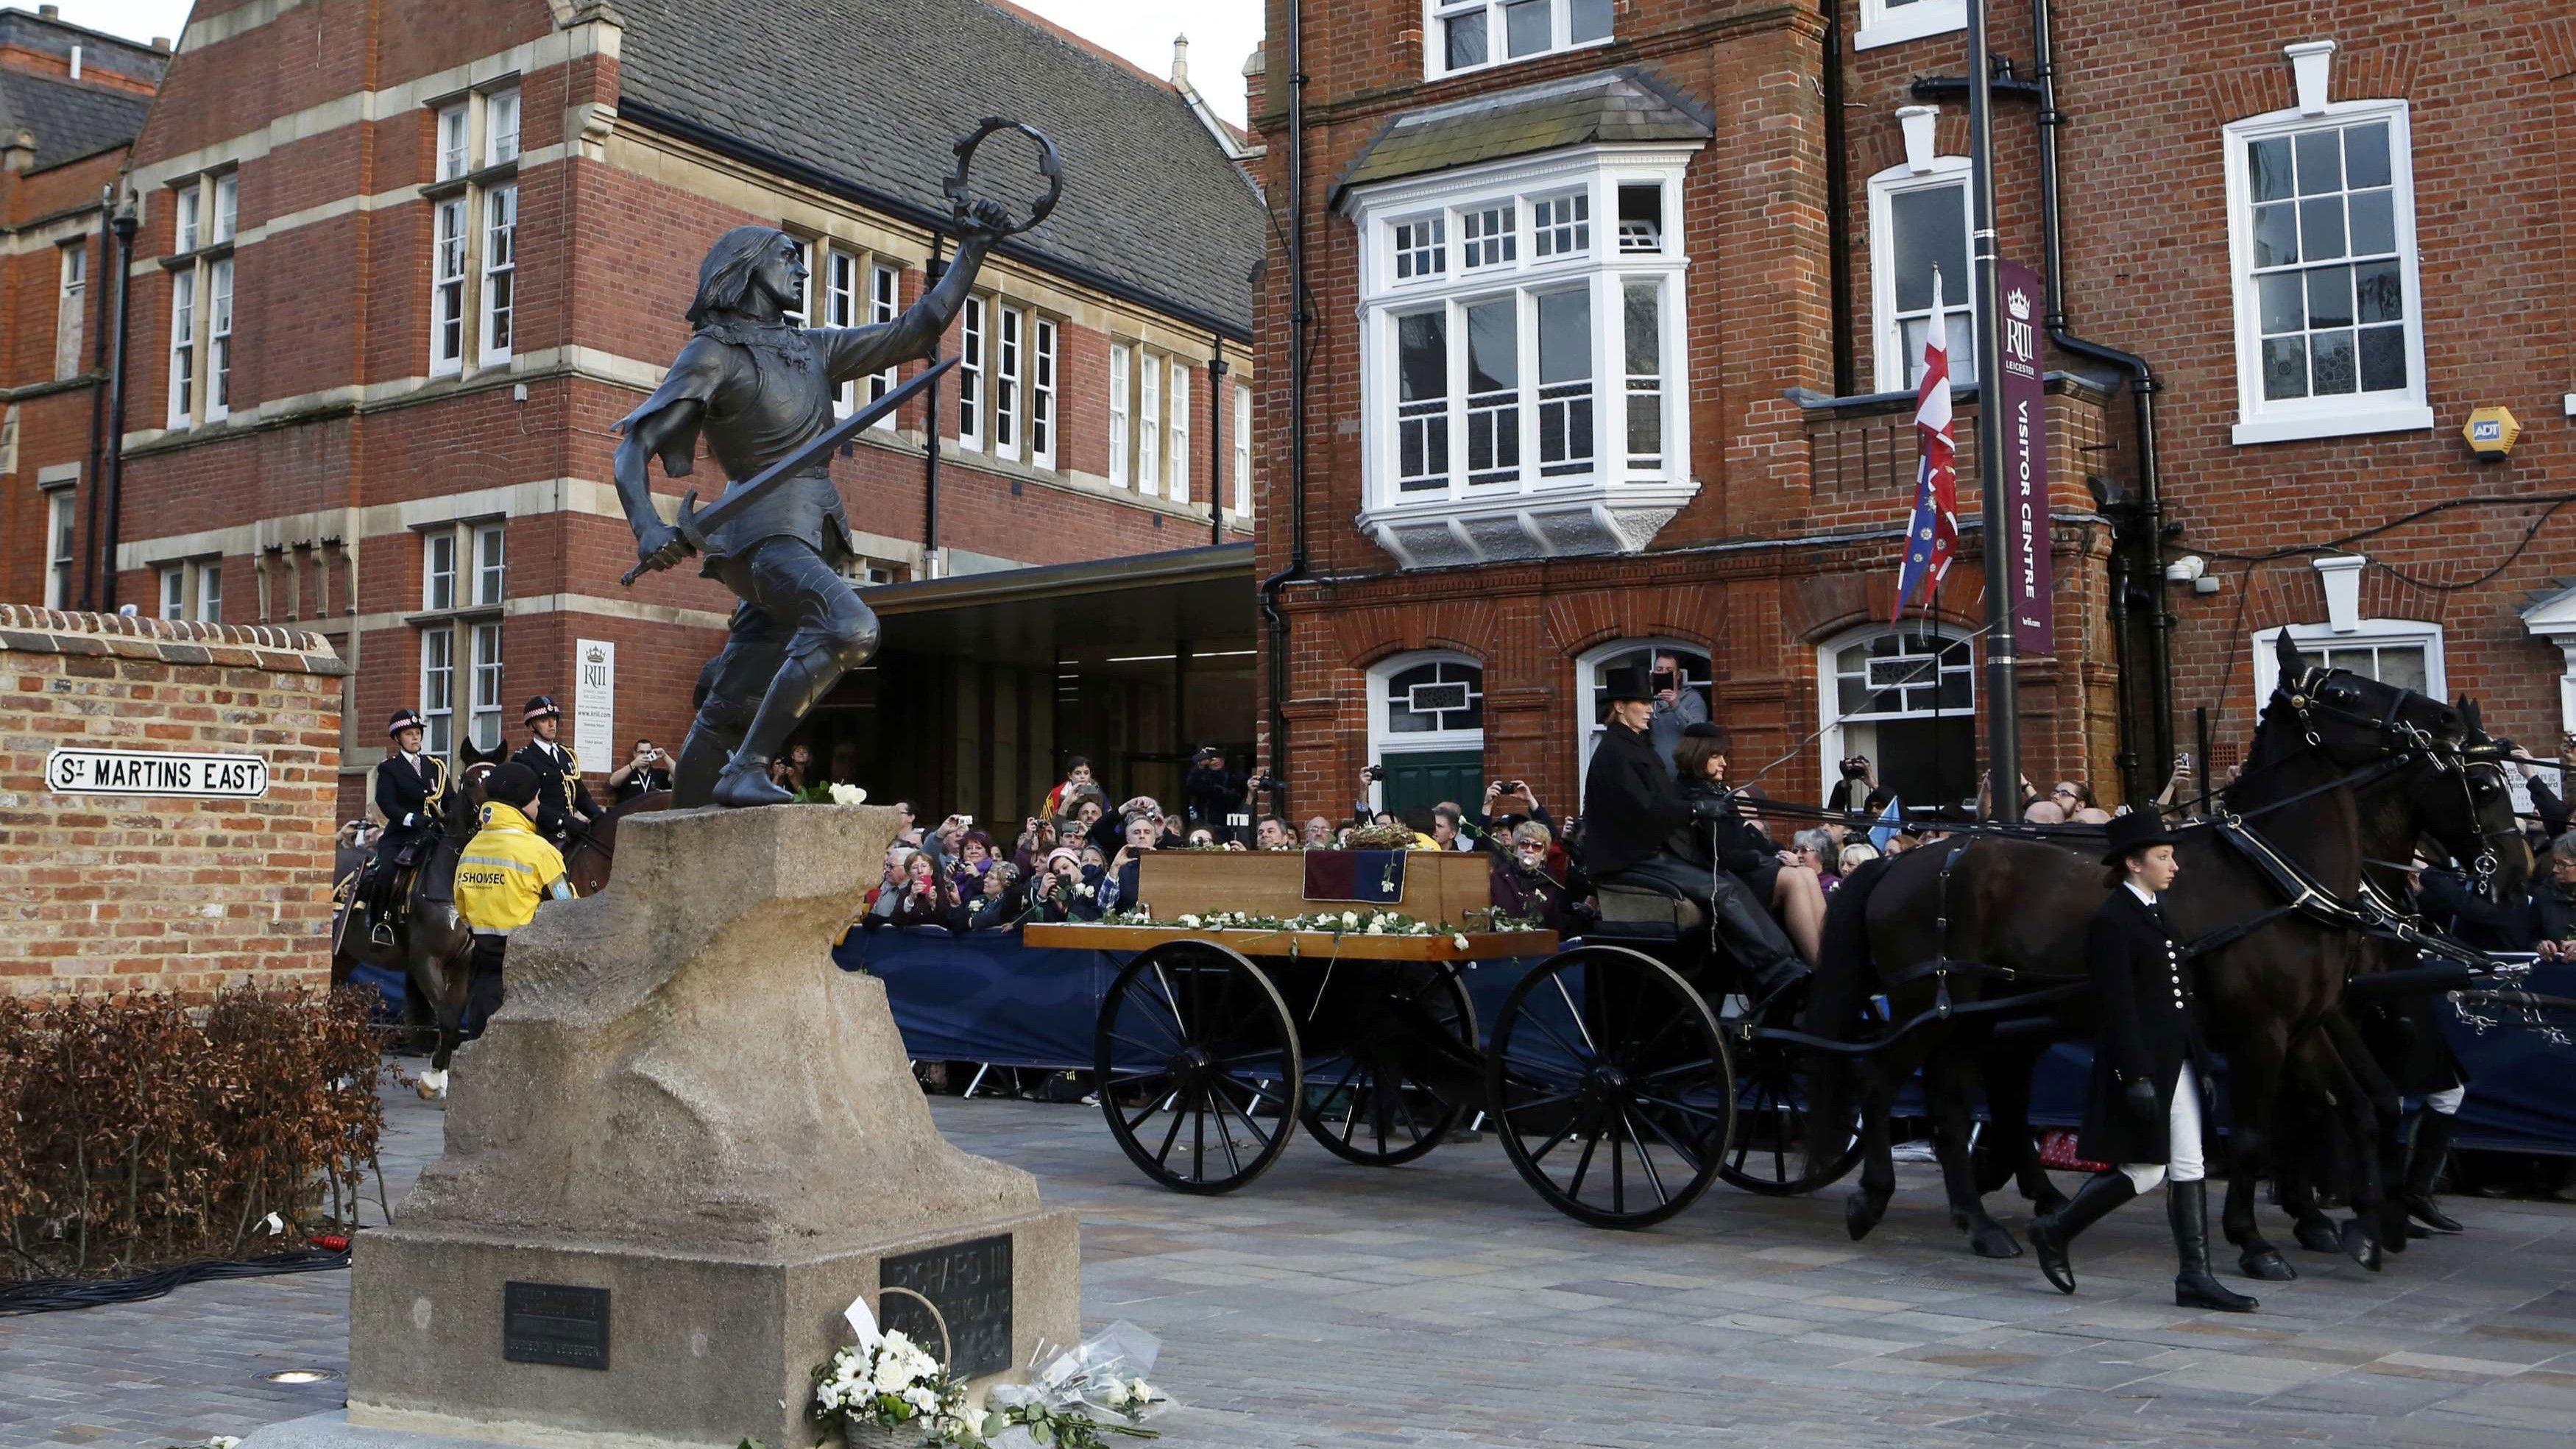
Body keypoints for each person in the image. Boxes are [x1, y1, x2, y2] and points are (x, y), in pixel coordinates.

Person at [615, 213, 1014, 807]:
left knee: (736, 696)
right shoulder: (714, 353)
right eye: (787, 257)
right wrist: (648, 526)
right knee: (850, 627)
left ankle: (684, 813)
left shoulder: (812, 349)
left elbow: (918, 328)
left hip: (806, 530)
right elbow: (633, 448)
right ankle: (746, 766)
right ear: (749, 267)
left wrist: (972, 253)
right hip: (759, 534)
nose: (801, 268)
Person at [2029, 812, 2257, 1313]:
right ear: (2133, 863)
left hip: (2176, 1059)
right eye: (2162, 856)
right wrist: (2133, 1074)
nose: (2173, 863)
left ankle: (2195, 1276)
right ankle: (2055, 1228)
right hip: (2145, 1061)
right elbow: (2118, 1007)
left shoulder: (2156, 910)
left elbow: (2180, 998)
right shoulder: (2114, 919)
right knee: (2148, 1169)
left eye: (2171, 854)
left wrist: (2201, 1061)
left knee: (2188, 1163)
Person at [1578, 667, 1805, 997]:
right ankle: (1777, 970)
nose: (1650, 710)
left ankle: (1782, 962)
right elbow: (1648, 809)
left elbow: (1662, 802)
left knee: (1728, 882)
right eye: (1643, 703)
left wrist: (1697, 807)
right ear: (1620, 707)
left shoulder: (1634, 747)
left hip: (1644, 851)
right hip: (1629, 859)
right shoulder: (1616, 752)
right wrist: (1696, 808)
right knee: (1720, 890)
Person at [1671, 724, 1826, 965]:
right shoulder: (1689, 794)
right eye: (1716, 756)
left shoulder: (1716, 791)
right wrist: (1764, 859)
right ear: (1697, 755)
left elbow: (1742, 840)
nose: (1724, 763)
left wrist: (1774, 850)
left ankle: (1828, 959)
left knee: (1806, 872)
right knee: (1795, 879)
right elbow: (1720, 854)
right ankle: (1819, 964)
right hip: (1722, 880)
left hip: (1740, 870)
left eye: (1724, 756)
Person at [452, 762, 573, 1038]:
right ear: (523, 802)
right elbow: (568, 910)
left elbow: (462, 909)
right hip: (530, 978)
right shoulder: (541, 852)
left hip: (484, 975)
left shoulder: (471, 849)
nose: (539, 804)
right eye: (537, 798)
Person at [360, 709, 449, 945]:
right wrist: (412, 818)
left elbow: (451, 798)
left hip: (435, 835)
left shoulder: (436, 767)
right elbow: (387, 803)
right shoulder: (390, 768)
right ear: (398, 738)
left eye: (418, 733)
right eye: (409, 734)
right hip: (402, 836)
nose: (415, 738)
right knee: (387, 872)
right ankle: (379, 924)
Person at [512, 696, 602, 849]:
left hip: (573, 830)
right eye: (544, 720)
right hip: (543, 832)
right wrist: (562, 820)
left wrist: (598, 816)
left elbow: (580, 793)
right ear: (532, 726)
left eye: (553, 718)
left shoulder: (567, 754)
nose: (551, 724)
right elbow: (525, 802)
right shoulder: (524, 758)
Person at [1490, 821, 1575, 935]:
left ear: (1544, 855)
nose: (1529, 850)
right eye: (1524, 844)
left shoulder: (1552, 884)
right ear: (1516, 849)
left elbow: (1558, 927)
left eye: (1537, 846)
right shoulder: (1498, 877)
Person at [1644, 652, 1707, 777]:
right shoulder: (1645, 701)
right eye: (1659, 670)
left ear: (1678, 675)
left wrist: (1676, 705)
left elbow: (1699, 733)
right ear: (1653, 675)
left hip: (1685, 775)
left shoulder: (1693, 699)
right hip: (1653, 775)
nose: (1664, 674)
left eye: (1669, 670)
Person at [608, 739, 674, 804]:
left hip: (652, 813)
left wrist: (664, 756)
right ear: (635, 754)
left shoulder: (659, 774)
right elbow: (613, 782)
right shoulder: (628, 773)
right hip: (631, 813)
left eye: (648, 752)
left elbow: (679, 775)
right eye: (642, 752)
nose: (645, 755)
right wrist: (633, 764)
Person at [1042, 757, 1100, 821]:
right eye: (1078, 773)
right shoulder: (1058, 793)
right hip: (1067, 828)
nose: (1082, 776)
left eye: (1086, 773)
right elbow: (1049, 824)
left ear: (1090, 775)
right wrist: (1067, 802)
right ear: (1070, 776)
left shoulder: (1098, 792)